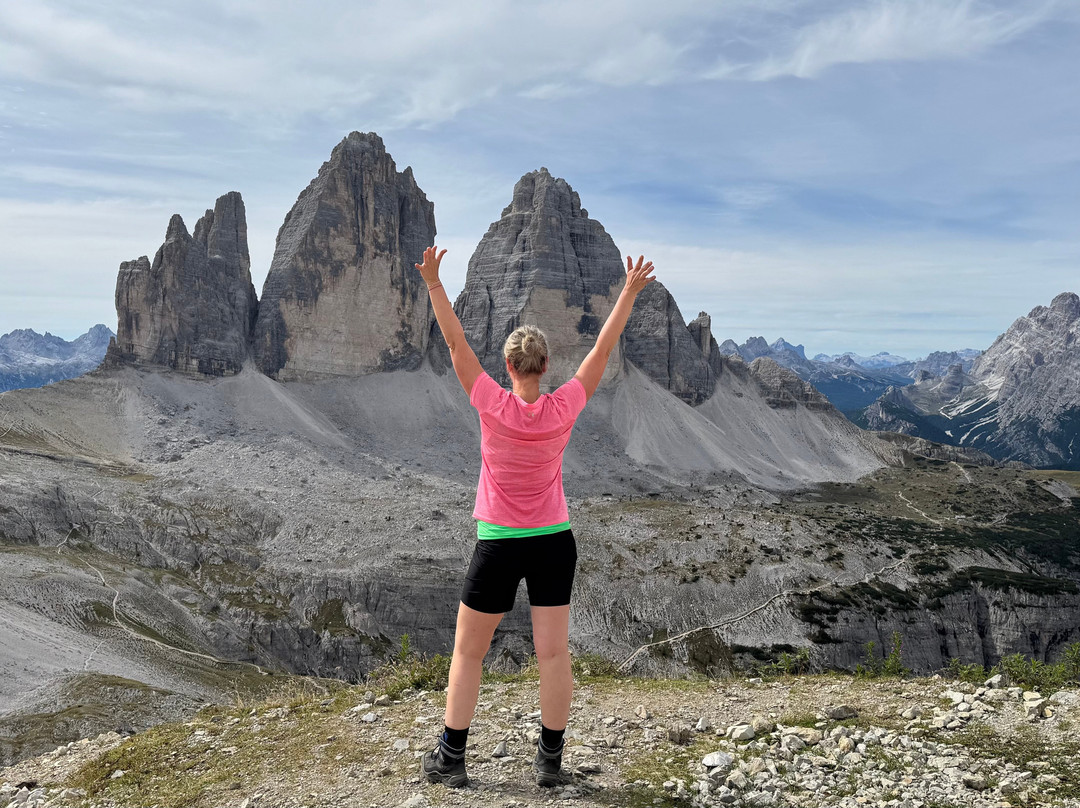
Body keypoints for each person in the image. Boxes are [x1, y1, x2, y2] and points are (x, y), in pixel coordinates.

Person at [414, 245, 656, 788]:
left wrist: (433, 282)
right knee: (553, 654)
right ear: (546, 367)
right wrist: (629, 292)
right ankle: (549, 764)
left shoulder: (490, 403)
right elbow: (602, 347)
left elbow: (454, 343)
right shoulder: (564, 405)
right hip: (553, 541)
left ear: (507, 367)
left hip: (498, 542)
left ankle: (452, 757)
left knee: (469, 652)